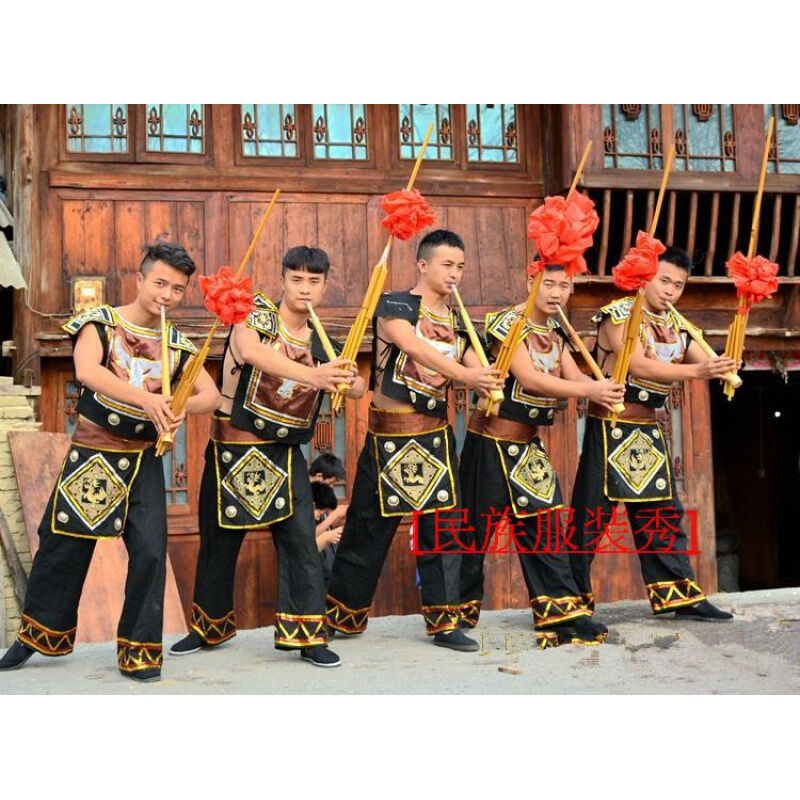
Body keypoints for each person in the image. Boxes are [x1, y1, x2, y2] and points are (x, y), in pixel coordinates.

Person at [0, 242, 220, 682]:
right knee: (64, 545)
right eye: (159, 283)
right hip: (95, 454)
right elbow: (88, 371)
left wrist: (181, 407)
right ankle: (36, 636)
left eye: (177, 289)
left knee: (151, 551)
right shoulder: (100, 322)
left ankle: (139, 651)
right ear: (140, 279)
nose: (166, 295)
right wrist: (147, 399)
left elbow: (211, 396)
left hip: (143, 460)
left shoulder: (176, 343)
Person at [169, 245, 363, 668]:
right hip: (233, 446)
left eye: (314, 281)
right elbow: (252, 352)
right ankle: (207, 628)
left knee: (300, 543)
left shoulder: (321, 340)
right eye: (297, 279)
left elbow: (358, 387)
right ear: (283, 280)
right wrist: (314, 375)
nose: (305, 288)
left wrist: (346, 379)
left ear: (325, 286)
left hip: (284, 452)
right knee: (219, 543)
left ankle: (308, 635)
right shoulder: (254, 314)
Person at [325, 229, 503, 651]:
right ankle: (342, 616)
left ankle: (445, 622)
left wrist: (488, 377)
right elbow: (414, 347)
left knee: (444, 530)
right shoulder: (395, 304)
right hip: (389, 435)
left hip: (435, 436)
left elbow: (475, 360)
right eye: (447, 264)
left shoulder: (458, 319)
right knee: (366, 529)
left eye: (461, 266)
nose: (455, 273)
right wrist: (468, 376)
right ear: (422, 264)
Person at [459, 263, 625, 646]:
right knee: (473, 532)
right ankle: (453, 613)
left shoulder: (556, 330)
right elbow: (530, 378)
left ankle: (563, 612)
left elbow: (574, 377)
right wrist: (589, 392)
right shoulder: (507, 323)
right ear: (529, 281)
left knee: (546, 524)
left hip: (527, 444)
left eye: (564, 286)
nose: (556, 293)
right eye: (548, 283)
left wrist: (604, 385)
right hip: (489, 442)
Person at [569, 246, 736, 623]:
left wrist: (723, 366)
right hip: (610, 425)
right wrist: (698, 373)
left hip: (646, 430)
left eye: (678, 285)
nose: (670, 290)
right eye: (664, 281)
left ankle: (680, 596)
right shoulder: (618, 315)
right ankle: (570, 603)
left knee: (662, 514)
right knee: (590, 517)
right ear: (644, 278)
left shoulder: (677, 324)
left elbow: (704, 361)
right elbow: (638, 365)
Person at [312, 481, 342, 591]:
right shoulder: (305, 520)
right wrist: (333, 517)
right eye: (321, 512)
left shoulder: (320, 517)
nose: (320, 515)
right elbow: (310, 536)